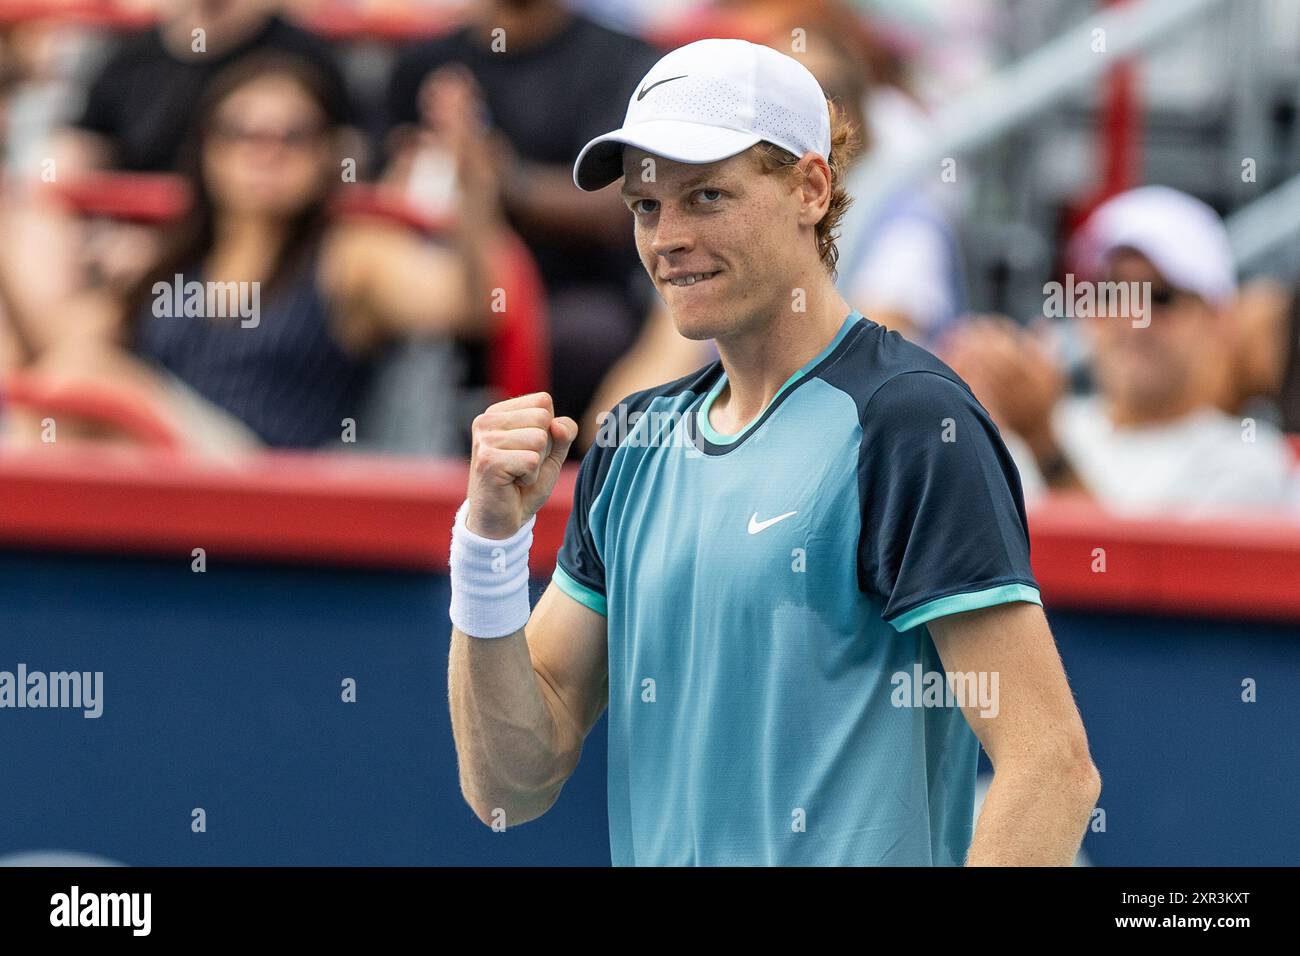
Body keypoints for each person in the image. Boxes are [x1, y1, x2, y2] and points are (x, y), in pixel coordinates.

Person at [445, 38, 1099, 866]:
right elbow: (510, 784)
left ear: (811, 188)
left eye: (707, 196)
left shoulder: (908, 422)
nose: (668, 237)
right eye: (646, 207)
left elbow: (1050, 764)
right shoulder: (634, 441)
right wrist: (489, 547)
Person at [1, 53, 504, 454]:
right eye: (240, 133)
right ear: (207, 148)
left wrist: (473, 194)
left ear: (327, 153)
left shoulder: (351, 256)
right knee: (66, 384)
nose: (265, 153)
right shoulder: (174, 257)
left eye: (293, 137)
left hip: (264, 481)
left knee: (87, 378)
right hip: (156, 480)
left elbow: (469, 306)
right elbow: (55, 353)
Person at [943, 186, 1296, 517]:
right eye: (1111, 294)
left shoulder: (1250, 462)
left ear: (1218, 319)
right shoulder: (1034, 426)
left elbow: (1117, 578)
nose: (1132, 318)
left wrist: (1043, 444)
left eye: (1160, 297)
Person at [386, 0, 660, 424]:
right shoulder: (424, 62)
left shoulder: (620, 60)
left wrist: (500, 179)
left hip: (576, 288)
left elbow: (624, 204)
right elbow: (377, 184)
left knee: (583, 335)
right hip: (442, 271)